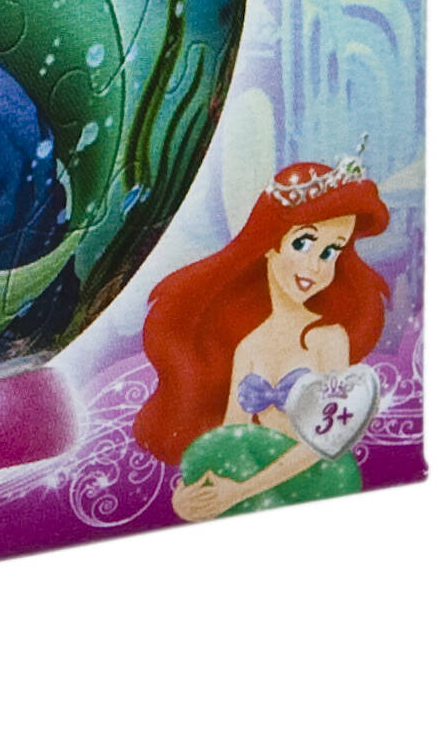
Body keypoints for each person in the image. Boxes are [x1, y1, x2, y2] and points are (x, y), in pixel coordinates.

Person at [134, 151, 391, 518]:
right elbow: (230, 438)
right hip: (263, 481)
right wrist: (188, 499)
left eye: (330, 251)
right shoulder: (250, 346)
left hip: (323, 475)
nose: (315, 266)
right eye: (303, 243)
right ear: (271, 243)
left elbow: (325, 441)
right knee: (206, 454)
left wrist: (239, 491)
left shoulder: (328, 338)